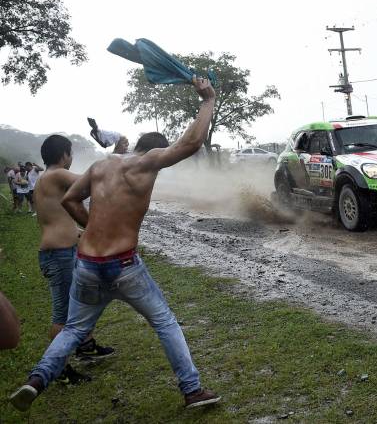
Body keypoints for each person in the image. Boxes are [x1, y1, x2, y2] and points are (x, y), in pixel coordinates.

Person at [11, 78, 221, 412]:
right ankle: (193, 390)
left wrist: (91, 226)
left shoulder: (101, 165)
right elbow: (190, 143)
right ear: (155, 152)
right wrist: (207, 100)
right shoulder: (147, 162)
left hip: (86, 263)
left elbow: (70, 199)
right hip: (123, 266)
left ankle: (36, 379)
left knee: (74, 329)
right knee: (165, 322)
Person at [35, 135, 115, 385]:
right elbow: (92, 181)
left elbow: (57, 217)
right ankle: (58, 368)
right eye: (70, 154)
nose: (71, 159)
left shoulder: (45, 178)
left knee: (85, 300)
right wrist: (117, 157)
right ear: (63, 156)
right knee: (63, 315)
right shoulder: (56, 175)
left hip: (63, 251)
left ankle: (86, 345)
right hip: (58, 256)